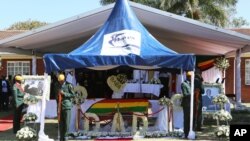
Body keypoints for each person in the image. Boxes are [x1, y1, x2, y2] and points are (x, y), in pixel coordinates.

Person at [56, 74, 75, 141]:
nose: (60, 82)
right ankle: (61, 138)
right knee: (61, 123)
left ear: (64, 80)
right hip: (60, 106)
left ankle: (66, 137)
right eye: (59, 81)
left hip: (67, 106)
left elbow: (73, 95)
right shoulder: (58, 85)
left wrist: (64, 94)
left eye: (61, 81)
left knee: (67, 123)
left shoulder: (69, 85)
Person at [181, 71, 192, 138]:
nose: (191, 78)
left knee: (191, 119)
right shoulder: (184, 84)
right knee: (186, 118)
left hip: (192, 103)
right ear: (188, 77)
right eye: (190, 77)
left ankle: (191, 132)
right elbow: (185, 94)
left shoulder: (191, 83)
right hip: (186, 103)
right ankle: (186, 133)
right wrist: (193, 94)